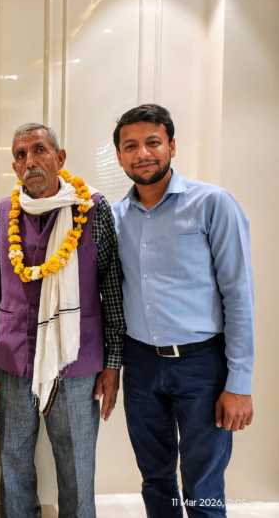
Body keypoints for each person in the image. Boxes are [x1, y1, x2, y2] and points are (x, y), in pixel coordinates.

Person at [111, 103, 255, 518]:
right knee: (155, 479)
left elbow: (238, 296)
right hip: (141, 365)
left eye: (153, 142)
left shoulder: (212, 204)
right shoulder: (116, 217)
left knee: (203, 483)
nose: (142, 154)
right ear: (119, 155)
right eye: (130, 146)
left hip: (202, 366)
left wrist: (239, 383)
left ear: (172, 146)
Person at [0, 123, 125, 518]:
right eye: (20, 154)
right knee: (13, 462)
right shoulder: (1, 214)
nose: (30, 161)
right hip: (13, 359)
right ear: (14, 166)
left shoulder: (92, 209)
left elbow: (112, 288)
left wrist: (113, 363)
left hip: (76, 360)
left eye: (39, 150)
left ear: (60, 158)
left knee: (77, 467)